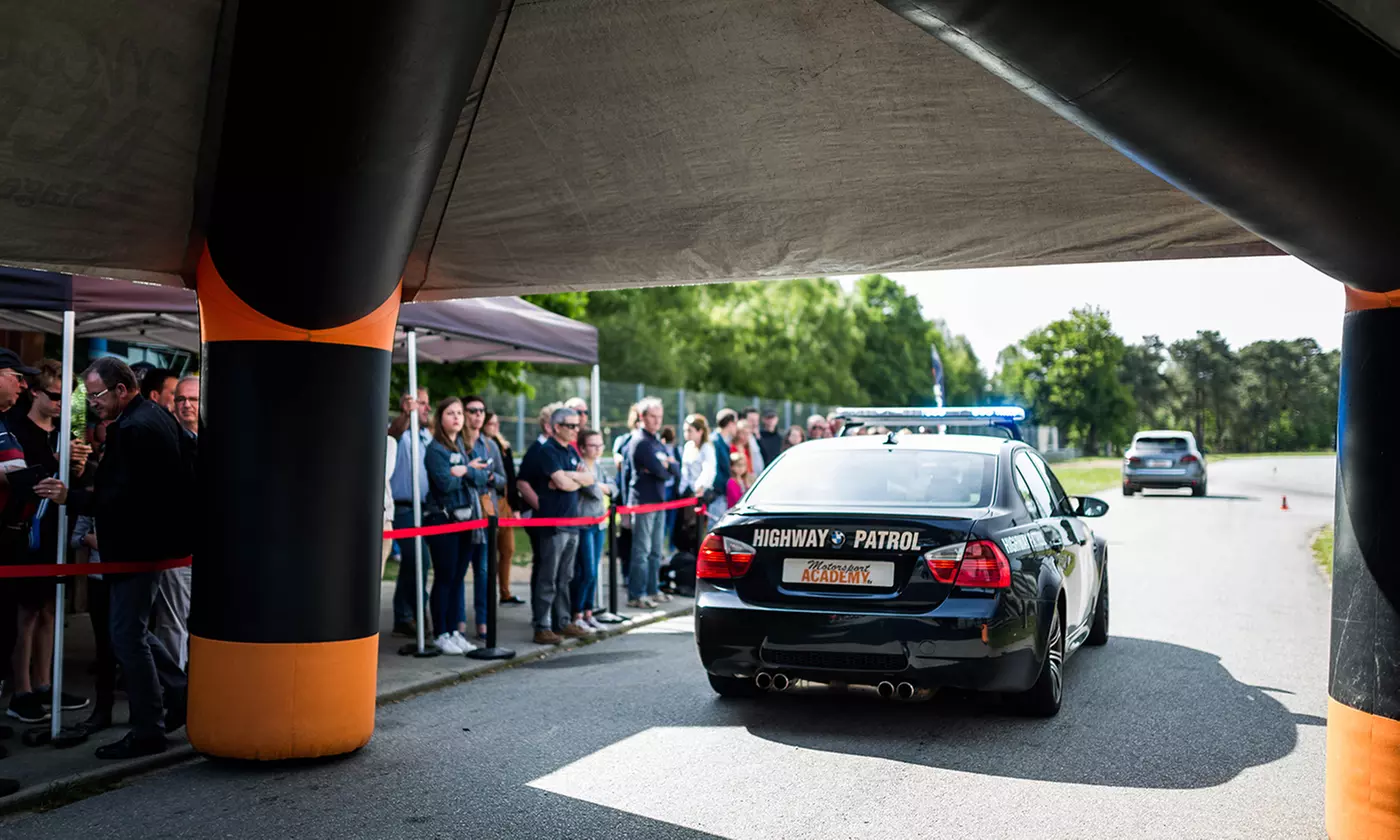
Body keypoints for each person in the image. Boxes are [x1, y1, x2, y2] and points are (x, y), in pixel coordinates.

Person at [36, 357, 189, 760]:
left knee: (127, 636)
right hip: (148, 544)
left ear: (121, 390)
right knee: (133, 630)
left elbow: (121, 498)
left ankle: (148, 728)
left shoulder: (136, 427)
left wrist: (72, 497)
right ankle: (180, 694)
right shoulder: (153, 416)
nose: (92, 403)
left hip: (136, 548)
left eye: (96, 395)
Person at [5, 359, 92, 723]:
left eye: (67, 398)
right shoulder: (15, 428)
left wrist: (80, 462)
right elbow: (24, 476)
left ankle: (44, 682)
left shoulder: (62, 431)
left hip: (54, 524)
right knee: (26, 611)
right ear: (36, 392)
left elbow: (74, 481)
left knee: (50, 607)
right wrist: (59, 460)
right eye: (55, 396)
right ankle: (21, 689)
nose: (60, 404)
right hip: (24, 528)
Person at [520, 407, 592, 644]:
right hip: (553, 524)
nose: (575, 429)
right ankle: (542, 625)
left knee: (565, 577)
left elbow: (589, 479)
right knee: (548, 577)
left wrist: (570, 478)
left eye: (576, 425)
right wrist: (572, 479)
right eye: (570, 426)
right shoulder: (547, 451)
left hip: (572, 523)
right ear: (556, 427)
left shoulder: (570, 451)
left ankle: (562, 622)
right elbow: (562, 483)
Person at [422, 397, 488, 655]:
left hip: (465, 519)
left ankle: (452, 631)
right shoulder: (435, 449)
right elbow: (443, 483)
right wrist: (464, 472)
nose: (458, 418)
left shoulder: (461, 445)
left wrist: (463, 471)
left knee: (458, 577)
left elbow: (481, 477)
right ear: (441, 418)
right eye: (451, 413)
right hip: (443, 520)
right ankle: (440, 632)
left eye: (460, 413)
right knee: (444, 577)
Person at [626, 397, 679, 608]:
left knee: (656, 550)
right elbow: (662, 471)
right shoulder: (640, 442)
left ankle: (652, 589)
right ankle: (636, 594)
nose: (657, 421)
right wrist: (664, 466)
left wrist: (665, 466)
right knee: (642, 551)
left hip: (660, 502)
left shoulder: (657, 441)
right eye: (652, 416)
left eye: (659, 417)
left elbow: (674, 471)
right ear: (642, 417)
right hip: (644, 502)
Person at [388, 390, 433, 639]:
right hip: (404, 507)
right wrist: (406, 415)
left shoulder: (425, 435)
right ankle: (416, 615)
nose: (425, 408)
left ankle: (403, 616)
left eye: (427, 404)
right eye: (421, 404)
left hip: (424, 508)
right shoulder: (402, 432)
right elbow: (392, 433)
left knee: (411, 563)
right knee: (419, 560)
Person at [463, 395, 506, 639]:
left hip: (487, 513)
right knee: (457, 572)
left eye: (481, 410)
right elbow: (458, 476)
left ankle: (483, 621)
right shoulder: (456, 443)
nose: (478, 415)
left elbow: (502, 479)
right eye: (472, 410)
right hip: (463, 514)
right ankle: (456, 622)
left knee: (484, 570)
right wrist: (478, 474)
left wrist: (486, 477)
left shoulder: (490, 445)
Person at [570, 429, 614, 633]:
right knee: (586, 570)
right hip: (583, 524)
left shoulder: (598, 466)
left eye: (600, 445)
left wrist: (596, 483)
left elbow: (614, 488)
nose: (597, 450)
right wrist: (598, 485)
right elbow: (593, 492)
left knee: (595, 570)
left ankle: (588, 612)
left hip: (599, 523)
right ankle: (576, 613)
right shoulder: (579, 466)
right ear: (583, 447)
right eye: (593, 446)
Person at [483, 412, 524, 605]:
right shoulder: (480, 446)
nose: (495, 426)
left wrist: (515, 506)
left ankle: (505, 592)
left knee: (508, 549)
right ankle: (488, 593)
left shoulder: (503, 446)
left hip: (505, 501)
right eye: (491, 423)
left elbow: (510, 478)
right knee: (488, 553)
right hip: (489, 501)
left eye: (497, 423)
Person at [706, 409, 736, 525]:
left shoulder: (722, 441)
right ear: (730, 423)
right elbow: (715, 469)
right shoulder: (715, 441)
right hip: (717, 494)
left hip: (722, 493)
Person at [742, 407, 766, 474]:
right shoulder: (742, 439)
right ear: (743, 420)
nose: (755, 423)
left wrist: (759, 438)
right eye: (751, 420)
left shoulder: (755, 436)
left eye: (756, 420)